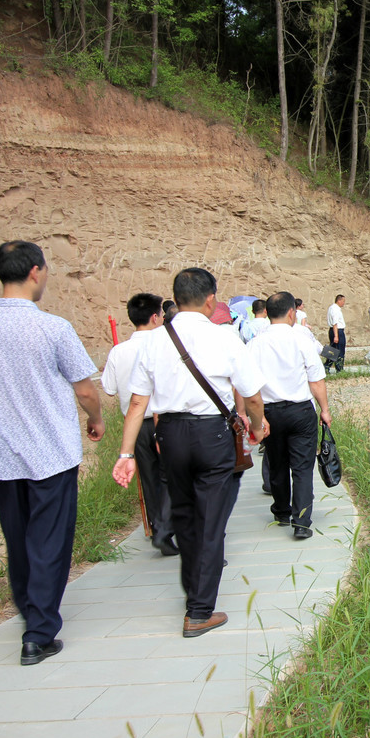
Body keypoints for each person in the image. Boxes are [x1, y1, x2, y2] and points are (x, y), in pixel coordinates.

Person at [0, 241, 105, 666]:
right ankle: (38, 632)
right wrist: (97, 418)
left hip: (4, 458)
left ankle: (30, 612)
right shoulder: (53, 328)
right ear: (36, 271)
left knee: (18, 539)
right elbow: (85, 388)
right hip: (52, 453)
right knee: (48, 541)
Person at [113, 267, 269, 639]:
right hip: (211, 435)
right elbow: (253, 396)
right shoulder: (225, 338)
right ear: (211, 299)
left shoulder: (152, 340)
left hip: (169, 435)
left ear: (176, 298)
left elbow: (137, 402)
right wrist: (258, 427)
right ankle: (199, 611)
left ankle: (193, 592)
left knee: (185, 518)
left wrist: (125, 454)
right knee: (210, 520)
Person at [247, 291, 333, 538]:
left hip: (269, 412)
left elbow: (247, 386)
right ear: (291, 313)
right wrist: (325, 410)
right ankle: (302, 521)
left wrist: (255, 417)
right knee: (302, 467)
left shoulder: (255, 344)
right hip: (300, 411)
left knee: (277, 463)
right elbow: (316, 380)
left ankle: (282, 511)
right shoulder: (302, 341)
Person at [101, 292, 176, 556]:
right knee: (171, 475)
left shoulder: (118, 351)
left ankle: (158, 527)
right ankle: (169, 527)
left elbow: (109, 389)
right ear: (157, 316)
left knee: (149, 478)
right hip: (164, 420)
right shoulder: (164, 345)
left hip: (134, 425)